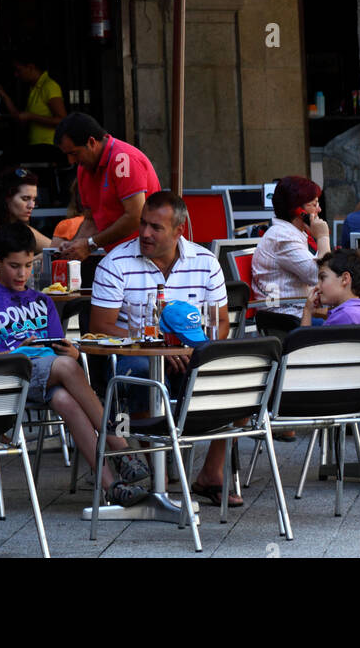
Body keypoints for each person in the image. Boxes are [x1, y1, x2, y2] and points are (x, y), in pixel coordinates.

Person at [0, 220, 150, 507]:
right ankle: (121, 449)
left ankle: (111, 486)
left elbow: (56, 348)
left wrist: (71, 353)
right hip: (11, 375)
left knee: (66, 400)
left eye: (27, 265)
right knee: (66, 370)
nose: (23, 273)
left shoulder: (44, 300)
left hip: (50, 376)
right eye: (14, 266)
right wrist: (17, 355)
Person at [89, 190, 237, 506]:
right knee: (145, 375)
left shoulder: (205, 262)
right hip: (132, 359)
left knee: (237, 379)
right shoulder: (115, 263)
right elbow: (100, 326)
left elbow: (221, 322)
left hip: (191, 355)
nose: (145, 233)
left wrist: (192, 351)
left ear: (178, 231)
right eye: (143, 224)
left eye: (156, 227)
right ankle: (153, 468)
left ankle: (211, 472)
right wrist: (159, 347)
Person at [54, 112, 161, 261]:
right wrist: (73, 246)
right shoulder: (83, 169)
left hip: (146, 255)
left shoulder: (122, 158)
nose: (71, 161)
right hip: (117, 257)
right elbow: (91, 220)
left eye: (74, 153)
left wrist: (90, 244)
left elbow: (136, 216)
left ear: (91, 142)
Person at [252, 175, 330, 318]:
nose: (319, 210)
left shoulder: (291, 233)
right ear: (298, 211)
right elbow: (319, 276)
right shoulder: (282, 237)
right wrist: (323, 237)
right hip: (286, 316)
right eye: (314, 204)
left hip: (299, 310)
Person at [0, 48, 67, 150]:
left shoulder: (49, 86)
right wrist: (3, 95)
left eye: (19, 70)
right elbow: (19, 117)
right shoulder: (33, 87)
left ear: (31, 67)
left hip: (49, 148)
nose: (16, 74)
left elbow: (62, 121)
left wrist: (31, 117)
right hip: (36, 146)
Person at [300, 248, 360, 326]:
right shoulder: (356, 313)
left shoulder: (344, 316)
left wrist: (307, 312)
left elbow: (303, 338)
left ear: (345, 279)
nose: (317, 286)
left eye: (322, 278)